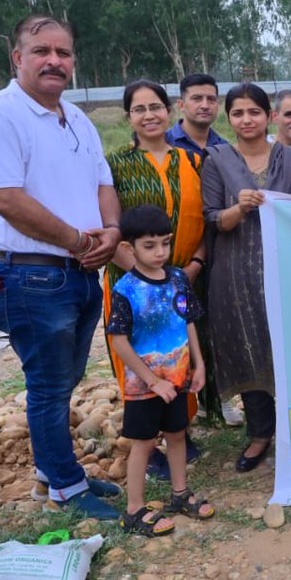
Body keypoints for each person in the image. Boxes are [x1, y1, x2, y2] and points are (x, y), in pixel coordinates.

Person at [0, 14, 123, 519]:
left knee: (66, 378)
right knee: (49, 386)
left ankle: (51, 472)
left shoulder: (76, 119)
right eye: (41, 51)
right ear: (17, 58)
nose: (55, 60)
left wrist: (112, 231)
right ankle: (67, 488)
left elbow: (103, 184)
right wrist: (78, 239)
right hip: (33, 275)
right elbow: (7, 200)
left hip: (80, 271)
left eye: (64, 52)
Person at [104, 80, 215, 476]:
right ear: (129, 116)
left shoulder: (194, 162)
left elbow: (208, 221)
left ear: (170, 111)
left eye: (156, 107)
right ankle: (146, 443)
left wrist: (193, 267)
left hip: (183, 275)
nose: (149, 115)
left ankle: (178, 431)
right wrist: (144, 273)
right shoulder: (115, 163)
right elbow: (108, 225)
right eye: (139, 109)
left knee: (179, 353)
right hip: (133, 282)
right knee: (141, 358)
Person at [202, 83, 291, 472]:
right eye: (237, 113)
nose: (246, 120)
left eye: (254, 112)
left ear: (270, 116)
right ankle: (261, 433)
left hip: (286, 269)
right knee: (249, 345)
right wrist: (238, 209)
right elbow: (211, 217)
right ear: (228, 118)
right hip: (236, 272)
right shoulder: (216, 159)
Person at [106, 205, 215, 536]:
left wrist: (198, 363)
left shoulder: (178, 278)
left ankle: (180, 494)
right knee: (143, 442)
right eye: (149, 245)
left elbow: (188, 321)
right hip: (144, 386)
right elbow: (120, 342)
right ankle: (134, 509)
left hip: (178, 378)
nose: (160, 252)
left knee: (178, 433)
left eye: (165, 243)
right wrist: (152, 381)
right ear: (129, 248)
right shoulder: (125, 289)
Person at [167, 73, 228, 156]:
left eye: (211, 99)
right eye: (197, 98)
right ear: (181, 105)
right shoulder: (164, 142)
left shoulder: (224, 148)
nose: (205, 106)